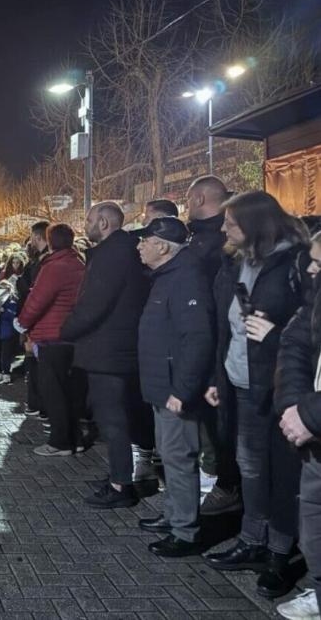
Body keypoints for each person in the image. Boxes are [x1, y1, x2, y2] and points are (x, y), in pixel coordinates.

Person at [203, 191, 311, 600]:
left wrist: (277, 335)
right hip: (241, 382)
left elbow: (311, 332)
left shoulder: (297, 262)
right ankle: (252, 540)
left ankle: (281, 555)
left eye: (231, 222)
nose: (223, 229)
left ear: (256, 223)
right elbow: (228, 326)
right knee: (249, 466)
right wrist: (219, 376)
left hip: (282, 388)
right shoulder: (239, 261)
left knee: (283, 475)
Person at [60, 202, 150, 508]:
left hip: (108, 351)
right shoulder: (121, 251)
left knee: (112, 419)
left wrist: (65, 329)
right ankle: (119, 474)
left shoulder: (113, 255)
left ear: (103, 222)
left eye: (88, 220)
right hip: (115, 348)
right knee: (116, 417)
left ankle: (120, 484)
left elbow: (94, 304)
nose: (84, 225)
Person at [133, 218, 214, 558]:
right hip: (161, 385)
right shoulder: (168, 276)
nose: (139, 247)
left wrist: (182, 389)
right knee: (170, 455)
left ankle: (185, 531)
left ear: (163, 247)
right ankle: (173, 516)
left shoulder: (185, 279)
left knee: (180, 459)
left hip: (173, 389)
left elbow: (197, 338)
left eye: (145, 241)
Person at [186, 175, 241, 515]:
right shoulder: (209, 249)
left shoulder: (217, 254)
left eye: (231, 223)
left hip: (223, 357)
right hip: (216, 355)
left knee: (221, 428)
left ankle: (225, 484)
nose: (225, 229)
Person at [274, 231, 321, 620]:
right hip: (313, 436)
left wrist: (311, 413)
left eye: (319, 263)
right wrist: (295, 408)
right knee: (313, 526)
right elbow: (295, 348)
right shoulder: (313, 303)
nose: (310, 268)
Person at [16, 224, 86, 456]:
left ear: (50, 241)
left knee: (53, 392)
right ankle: (74, 439)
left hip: (51, 337)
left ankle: (59, 442)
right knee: (69, 393)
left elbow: (38, 300)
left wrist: (22, 323)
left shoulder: (54, 267)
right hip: (72, 336)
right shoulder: (78, 263)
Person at [17, 222, 49, 417]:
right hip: (40, 324)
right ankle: (37, 402)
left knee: (37, 365)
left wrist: (24, 323)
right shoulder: (40, 261)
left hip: (39, 325)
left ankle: (39, 404)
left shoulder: (44, 263)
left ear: (36, 237)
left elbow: (36, 296)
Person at [0, 280, 19, 386]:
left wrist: (4, 311)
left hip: (7, 333)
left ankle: (6, 372)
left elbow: (13, 316)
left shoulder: (13, 302)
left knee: (6, 354)